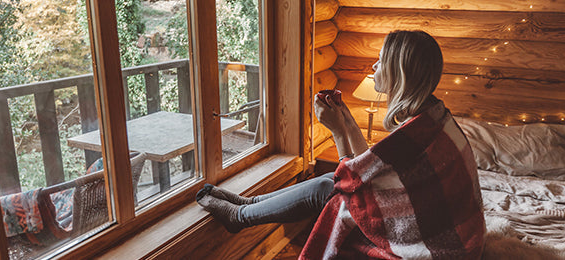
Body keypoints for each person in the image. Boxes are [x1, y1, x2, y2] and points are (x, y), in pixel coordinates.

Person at [196, 30, 485, 259]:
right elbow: (369, 167)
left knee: (328, 188)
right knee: (328, 184)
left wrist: (336, 130)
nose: (374, 66)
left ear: (399, 72)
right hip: (458, 238)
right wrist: (346, 121)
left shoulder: (415, 135)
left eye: (381, 60)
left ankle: (240, 216)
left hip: (440, 248)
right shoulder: (431, 115)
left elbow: (352, 181)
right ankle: (249, 205)